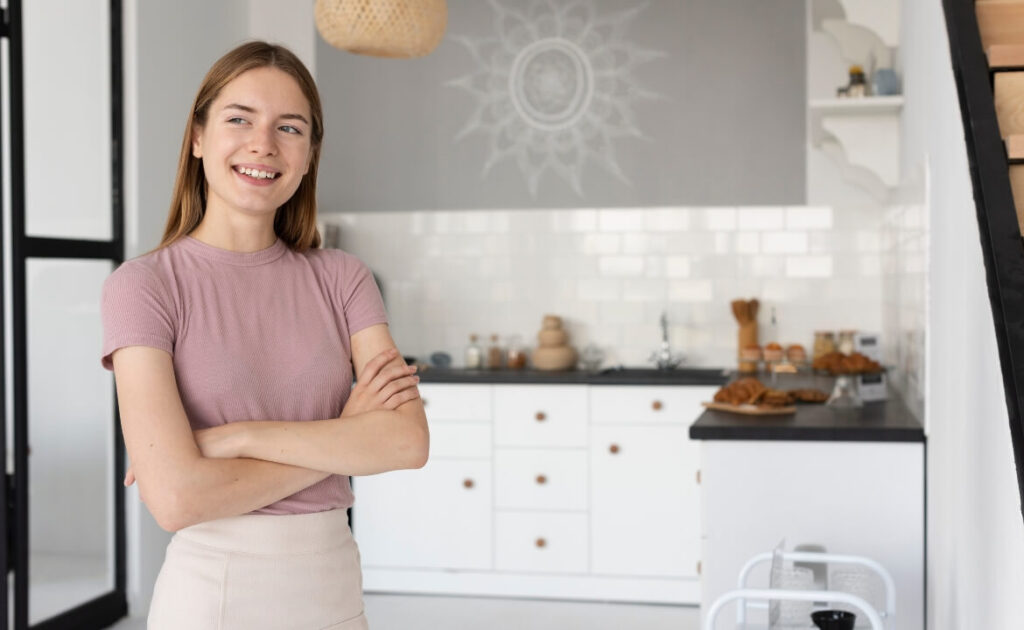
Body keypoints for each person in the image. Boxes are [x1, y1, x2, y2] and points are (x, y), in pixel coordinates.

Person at [100, 40, 428, 629]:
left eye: (290, 127)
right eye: (239, 119)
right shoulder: (144, 286)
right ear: (198, 138)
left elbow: (406, 443)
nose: (263, 144)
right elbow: (176, 500)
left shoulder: (343, 277)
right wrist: (346, 438)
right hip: (212, 597)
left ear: (308, 155)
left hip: (334, 590)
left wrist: (230, 439)